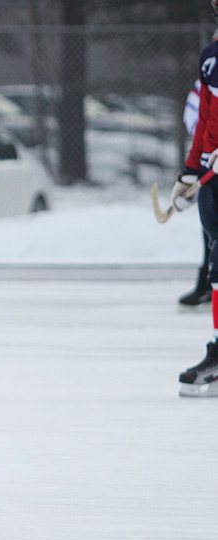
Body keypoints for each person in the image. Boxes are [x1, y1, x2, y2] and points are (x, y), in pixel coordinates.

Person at [173, 0, 218, 396]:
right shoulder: (211, 58)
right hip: (214, 179)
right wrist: (191, 170)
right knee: (217, 271)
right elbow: (204, 121)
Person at [178, 79, 212, 310]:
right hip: (211, 162)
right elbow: (193, 119)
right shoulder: (210, 69)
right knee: (211, 228)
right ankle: (208, 284)